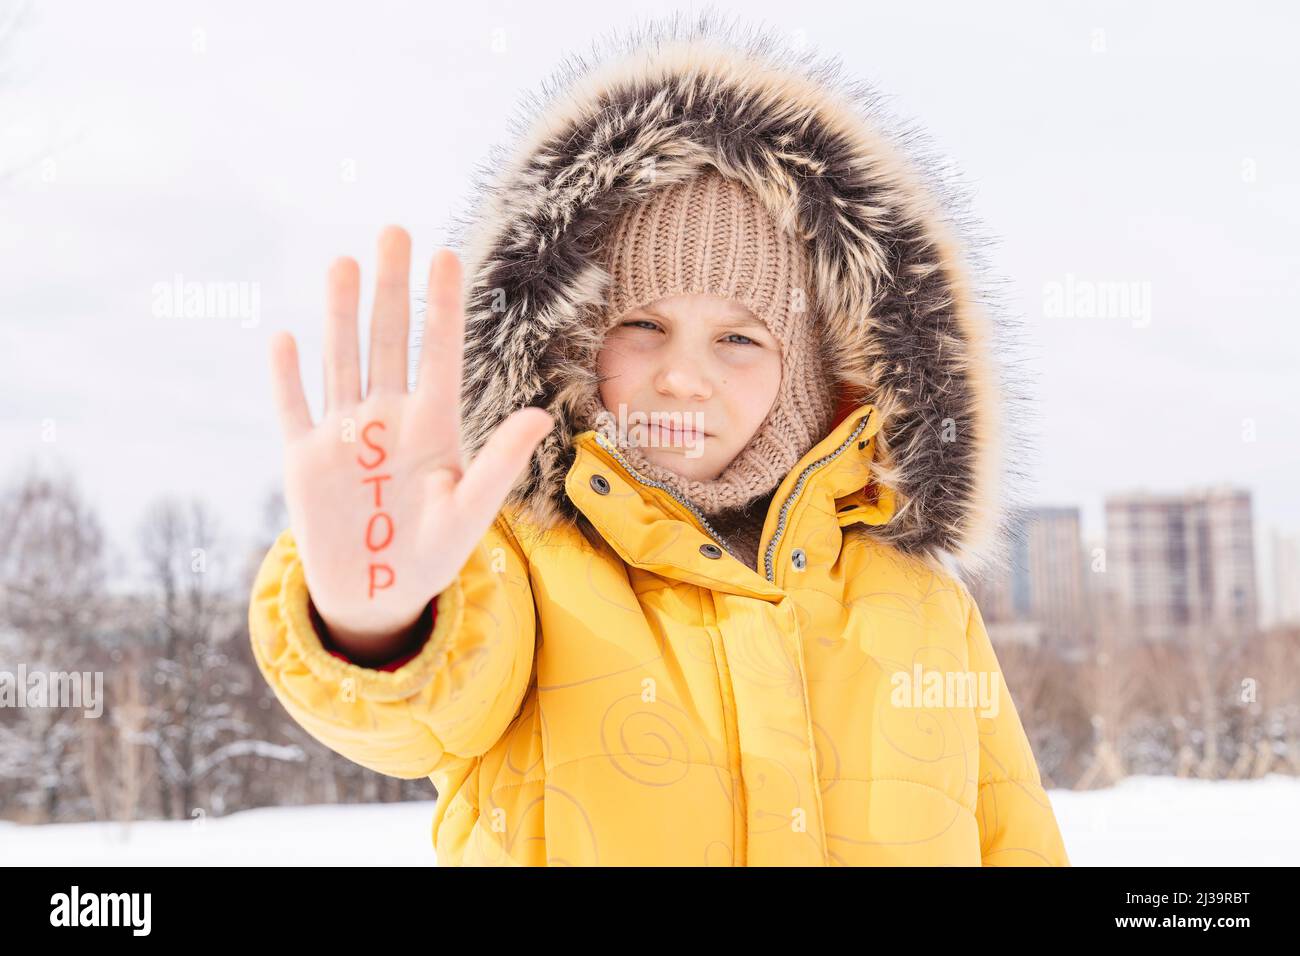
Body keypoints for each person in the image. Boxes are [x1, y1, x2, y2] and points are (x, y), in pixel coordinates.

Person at [248, 17, 1070, 866]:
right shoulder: (520, 567)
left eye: (740, 339)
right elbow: (422, 711)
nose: (683, 376)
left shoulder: (924, 608)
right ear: (572, 342)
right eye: (642, 324)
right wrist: (376, 624)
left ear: (820, 373)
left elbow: (1015, 838)